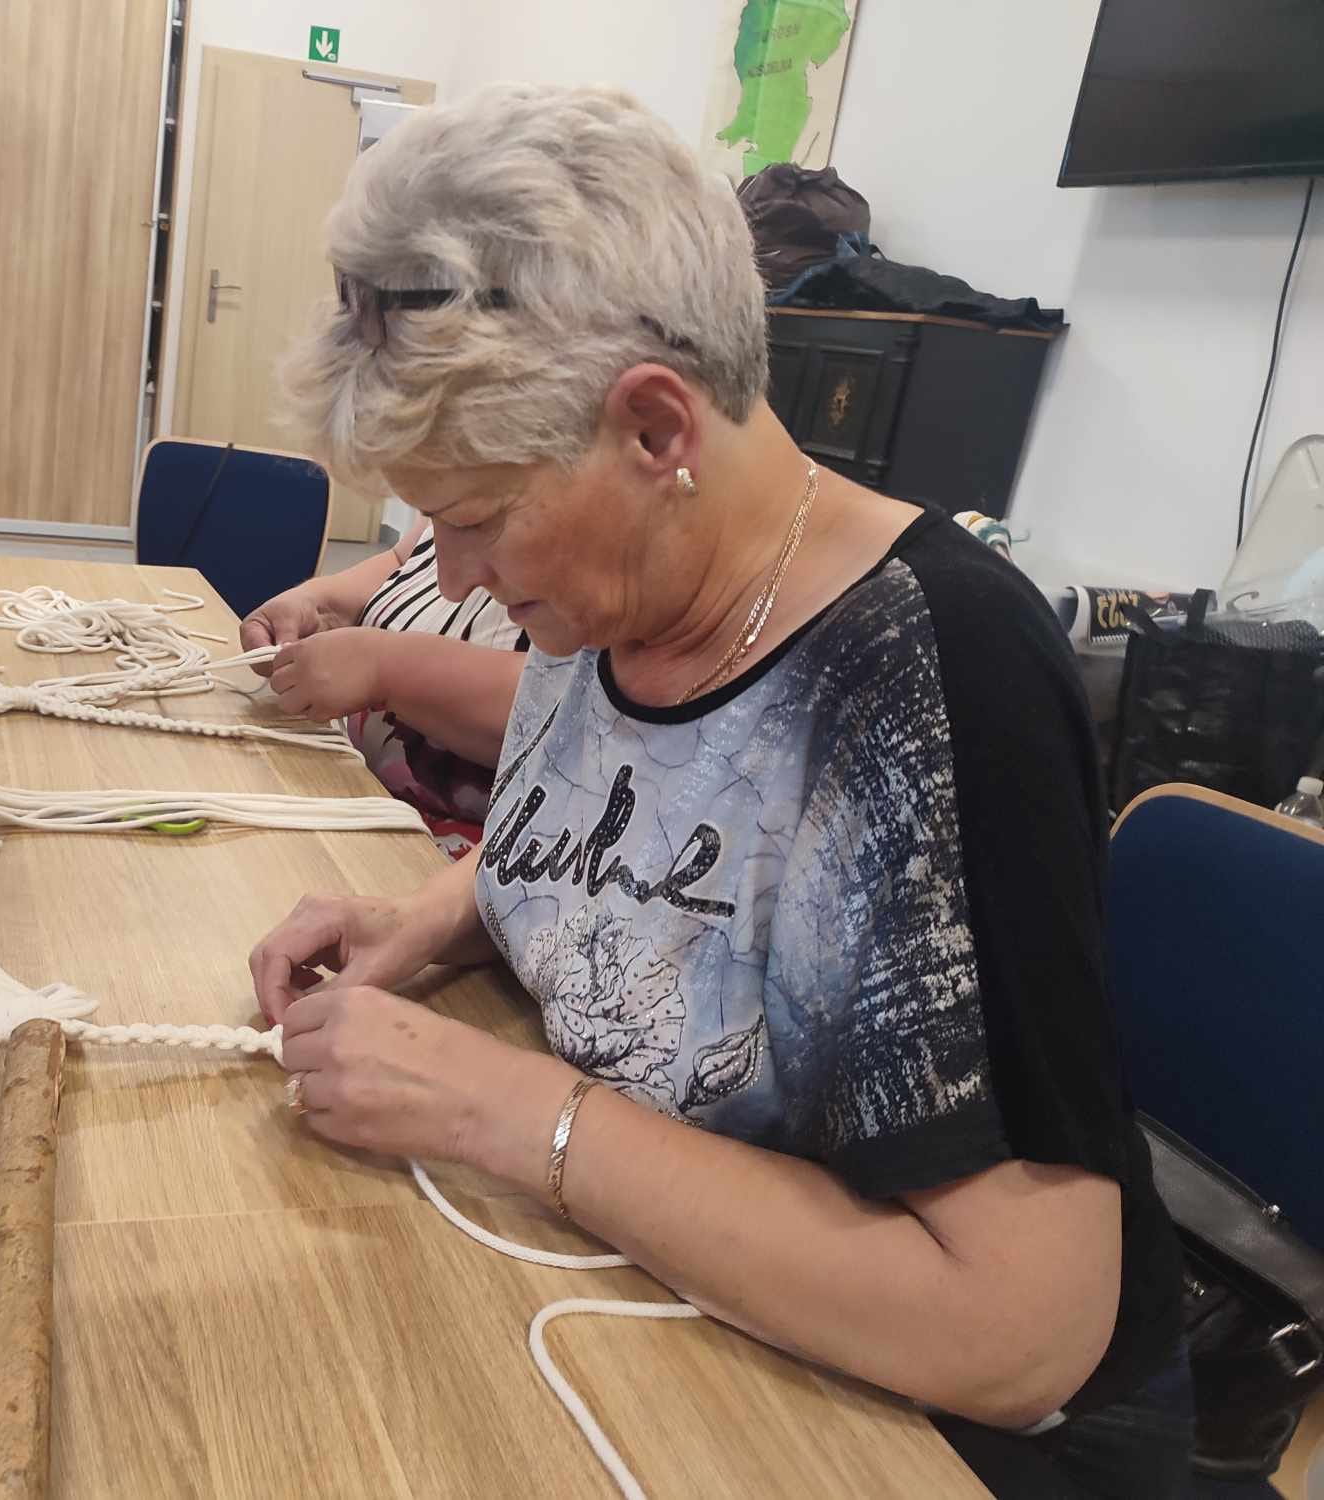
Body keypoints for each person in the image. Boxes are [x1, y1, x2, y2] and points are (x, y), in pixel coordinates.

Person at [250, 85, 1186, 1500]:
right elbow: (634, 844)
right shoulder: (617, 592)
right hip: (660, 1307)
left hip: (924, 1434)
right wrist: (431, 920)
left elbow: (1019, 1333)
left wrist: (511, 1112)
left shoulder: (933, 669)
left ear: (654, 430)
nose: (453, 577)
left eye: (475, 518)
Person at [242, 520, 528, 856]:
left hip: (466, 861)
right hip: (358, 796)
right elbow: (400, 563)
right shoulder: (445, 522)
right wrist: (318, 606)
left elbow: (557, 702)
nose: (449, 584)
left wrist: (386, 668)